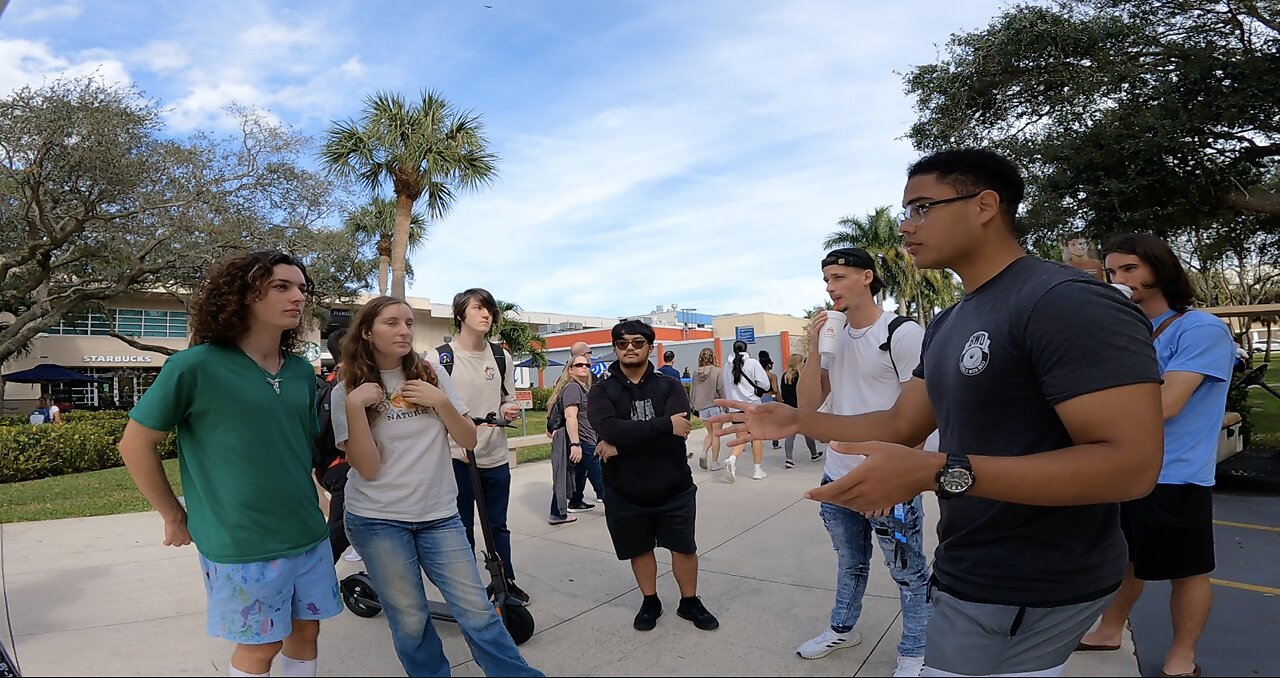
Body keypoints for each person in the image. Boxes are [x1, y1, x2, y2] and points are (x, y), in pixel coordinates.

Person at [714, 148, 1164, 677]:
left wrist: (934, 472)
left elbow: (1130, 466)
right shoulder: (953, 320)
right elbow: (902, 424)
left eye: (922, 207)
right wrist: (798, 420)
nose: (906, 227)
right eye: (906, 211)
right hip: (971, 564)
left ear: (986, 205)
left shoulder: (1066, 301)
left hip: (1032, 581)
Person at [119, 251, 341, 678]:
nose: (298, 296)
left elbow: (294, 451)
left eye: (301, 288)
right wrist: (172, 515)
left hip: (308, 533)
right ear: (242, 296)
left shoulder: (298, 372)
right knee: (261, 647)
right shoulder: (194, 366)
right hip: (242, 541)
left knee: (305, 634)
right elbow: (135, 444)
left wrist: (323, 504)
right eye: (282, 286)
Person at [333, 296, 542, 678]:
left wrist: (441, 401)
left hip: (439, 515)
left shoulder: (430, 374)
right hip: (378, 520)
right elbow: (367, 466)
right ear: (367, 331)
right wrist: (354, 408)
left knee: (478, 611)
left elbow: (468, 439)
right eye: (392, 323)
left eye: (409, 323)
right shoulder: (346, 389)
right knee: (411, 620)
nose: (404, 331)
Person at [1077, 234, 1235, 678]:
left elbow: (1165, 405)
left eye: (1129, 269)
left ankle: (1181, 657)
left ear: (1159, 269)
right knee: (1127, 559)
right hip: (1123, 468)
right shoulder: (1129, 329)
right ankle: (1109, 630)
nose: (1120, 279)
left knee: (1187, 570)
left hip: (1177, 474)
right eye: (1112, 271)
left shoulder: (1199, 329)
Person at [794, 247, 932, 677]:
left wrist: (900, 478)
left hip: (888, 477)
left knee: (908, 571)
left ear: (867, 277)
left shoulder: (903, 333)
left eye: (838, 277)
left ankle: (915, 651)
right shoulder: (833, 339)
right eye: (826, 280)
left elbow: (923, 415)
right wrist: (815, 351)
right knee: (850, 561)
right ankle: (842, 627)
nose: (831, 287)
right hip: (837, 474)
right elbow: (809, 411)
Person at [588, 320, 719, 632]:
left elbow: (679, 433)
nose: (630, 347)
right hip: (624, 490)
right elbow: (608, 428)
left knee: (684, 548)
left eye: (637, 342)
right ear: (615, 348)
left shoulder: (669, 386)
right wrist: (662, 426)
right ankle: (650, 600)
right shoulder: (601, 390)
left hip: (673, 487)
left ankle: (689, 602)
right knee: (639, 549)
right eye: (622, 343)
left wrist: (621, 444)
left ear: (650, 346)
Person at [427, 288, 528, 605]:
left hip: (495, 456)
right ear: (460, 315)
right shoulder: (439, 358)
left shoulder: (501, 356)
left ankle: (505, 582)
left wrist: (509, 408)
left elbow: (507, 398)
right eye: (478, 309)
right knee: (460, 529)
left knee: (498, 526)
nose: (487, 314)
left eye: (490, 310)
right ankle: (468, 590)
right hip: (456, 458)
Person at [313, 328, 356, 564]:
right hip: (346, 467)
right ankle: (316, 580)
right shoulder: (348, 384)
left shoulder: (324, 383)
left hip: (329, 468)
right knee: (338, 533)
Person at [551, 354, 605, 513]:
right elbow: (570, 416)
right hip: (583, 440)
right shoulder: (573, 387)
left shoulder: (581, 387)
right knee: (600, 476)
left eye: (587, 365)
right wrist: (575, 444)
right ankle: (616, 508)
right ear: (570, 370)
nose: (584, 367)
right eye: (579, 365)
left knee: (581, 472)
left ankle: (575, 501)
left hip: (585, 439)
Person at [721, 340, 770, 482]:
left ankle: (732, 458)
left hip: (735, 408)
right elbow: (765, 384)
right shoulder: (752, 363)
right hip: (752, 406)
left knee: (741, 438)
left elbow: (726, 387)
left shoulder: (726, 366)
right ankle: (757, 470)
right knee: (756, 438)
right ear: (746, 349)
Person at [779, 354, 818, 467]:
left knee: (790, 435)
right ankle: (814, 454)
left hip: (788, 409)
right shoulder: (800, 376)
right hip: (800, 409)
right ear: (799, 363)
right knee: (808, 433)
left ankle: (789, 459)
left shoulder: (785, 376)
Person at [689, 348, 725, 471]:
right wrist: (725, 405)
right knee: (716, 435)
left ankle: (704, 453)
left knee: (709, 433)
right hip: (715, 405)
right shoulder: (718, 371)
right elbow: (721, 389)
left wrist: (693, 405)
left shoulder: (695, 373)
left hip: (702, 407)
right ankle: (715, 462)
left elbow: (692, 390)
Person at [758, 350, 782, 450]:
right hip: (769, 397)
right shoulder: (772, 376)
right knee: (773, 421)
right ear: (769, 365)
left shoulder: (757, 375)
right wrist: (780, 400)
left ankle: (754, 440)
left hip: (759, 398)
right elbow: (775, 389)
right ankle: (775, 442)